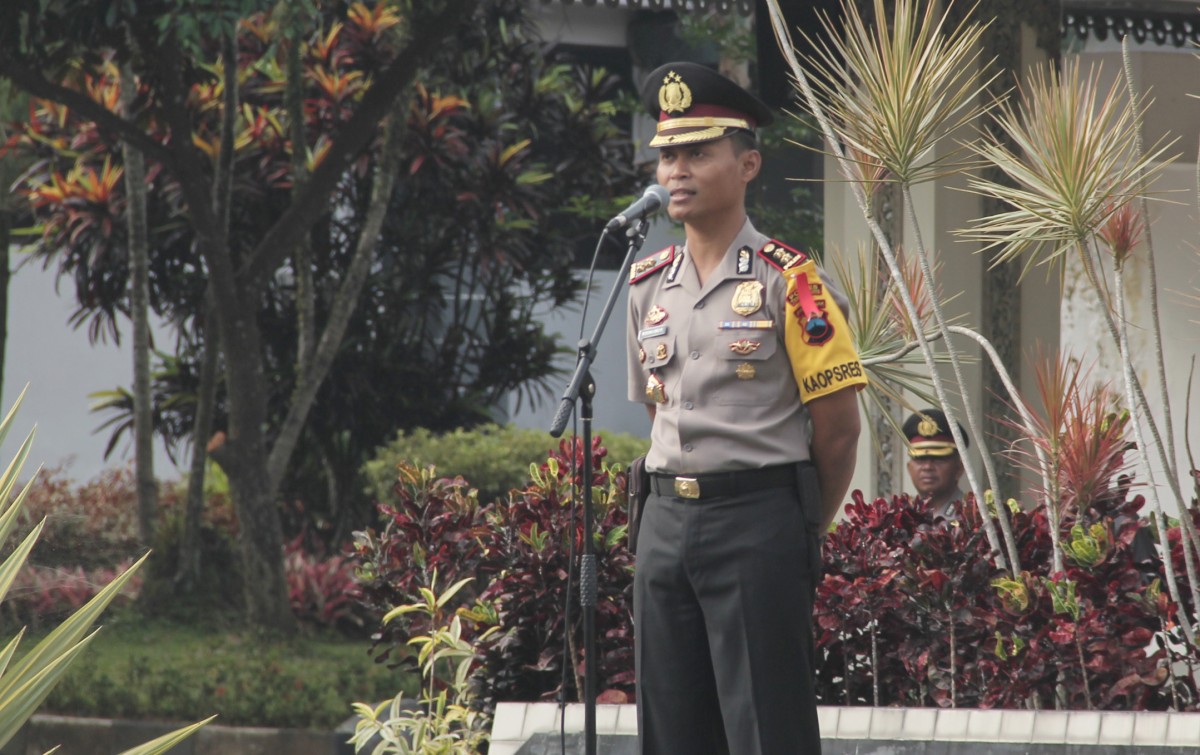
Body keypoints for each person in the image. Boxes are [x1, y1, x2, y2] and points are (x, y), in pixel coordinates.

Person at [626, 61, 867, 755]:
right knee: (671, 729)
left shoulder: (794, 283)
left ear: (748, 163)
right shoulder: (647, 286)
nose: (677, 169)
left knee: (767, 729)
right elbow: (657, 410)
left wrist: (798, 525)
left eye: (698, 151)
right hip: (665, 522)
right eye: (668, 153)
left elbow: (840, 430)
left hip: (759, 522)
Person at [902, 408, 968, 517]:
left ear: (959, 469)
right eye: (920, 459)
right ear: (909, 468)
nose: (927, 467)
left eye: (938, 459)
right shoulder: (901, 518)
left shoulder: (975, 517)